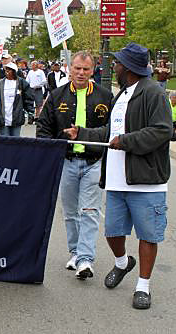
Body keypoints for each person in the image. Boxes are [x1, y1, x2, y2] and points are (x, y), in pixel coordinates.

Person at [64, 43, 173, 310]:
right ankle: (123, 263)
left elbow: (161, 131)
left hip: (146, 182)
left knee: (148, 237)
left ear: (130, 68)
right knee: (113, 233)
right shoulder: (122, 94)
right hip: (115, 180)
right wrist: (84, 133)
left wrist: (125, 141)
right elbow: (110, 132)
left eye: (118, 63)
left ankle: (143, 286)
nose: (114, 66)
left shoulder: (153, 93)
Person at [37, 51, 114, 280]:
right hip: (67, 161)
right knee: (70, 212)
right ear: (69, 69)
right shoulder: (56, 95)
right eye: (77, 68)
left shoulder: (105, 96)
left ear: (93, 70)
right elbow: (44, 129)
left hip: (93, 161)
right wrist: (50, 153)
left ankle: (85, 259)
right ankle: (75, 252)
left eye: (86, 69)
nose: (81, 73)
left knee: (89, 211)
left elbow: (111, 129)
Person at [0, 62, 34, 137]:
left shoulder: (22, 83)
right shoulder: (0, 83)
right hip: (3, 117)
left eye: (9, 70)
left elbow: (28, 98)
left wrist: (30, 111)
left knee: (15, 141)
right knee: (4, 141)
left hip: (17, 116)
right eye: (6, 70)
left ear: (14, 72)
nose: (7, 72)